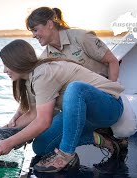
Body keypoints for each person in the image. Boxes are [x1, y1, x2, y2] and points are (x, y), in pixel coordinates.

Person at [0, 39, 124, 172]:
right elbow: (33, 114)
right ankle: (103, 140)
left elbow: (43, 122)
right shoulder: (29, 79)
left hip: (108, 108)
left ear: (17, 61)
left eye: (6, 65)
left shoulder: (43, 73)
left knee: (75, 88)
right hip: (80, 116)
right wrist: (1, 132)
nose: (4, 70)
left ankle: (66, 154)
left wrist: (10, 142)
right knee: (40, 146)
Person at [24, 6, 130, 155]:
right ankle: (97, 138)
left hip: (102, 96)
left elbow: (112, 61)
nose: (34, 35)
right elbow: (41, 102)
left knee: (127, 128)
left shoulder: (80, 37)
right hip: (75, 107)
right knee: (41, 146)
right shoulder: (44, 59)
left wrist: (111, 92)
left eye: (35, 30)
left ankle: (66, 154)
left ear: (49, 24)